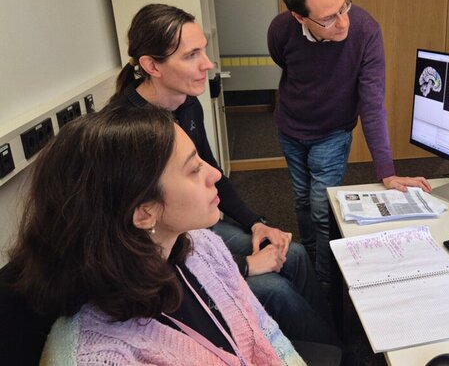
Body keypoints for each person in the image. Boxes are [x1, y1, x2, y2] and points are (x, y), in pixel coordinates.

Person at [108, 3, 337, 345]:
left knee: (296, 253)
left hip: (199, 227)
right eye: (191, 55)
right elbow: (140, 247)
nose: (207, 64)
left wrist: (256, 223)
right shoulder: (126, 134)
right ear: (151, 65)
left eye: (204, 50)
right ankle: (333, 353)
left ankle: (333, 336)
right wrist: (245, 265)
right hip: (164, 250)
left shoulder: (186, 104)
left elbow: (215, 175)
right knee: (276, 290)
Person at [3, 106, 304, 365]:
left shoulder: (204, 246)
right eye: (194, 169)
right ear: (144, 213)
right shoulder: (96, 356)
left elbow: (268, 338)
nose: (214, 175)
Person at [268, 0, 432, 283]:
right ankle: (311, 260)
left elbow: (372, 104)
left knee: (321, 207)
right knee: (302, 199)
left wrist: (387, 170)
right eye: (329, 18)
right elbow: (283, 61)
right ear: (300, 17)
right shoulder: (281, 29)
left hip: (332, 132)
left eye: (344, 6)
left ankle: (325, 281)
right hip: (290, 126)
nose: (343, 22)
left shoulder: (366, 30)